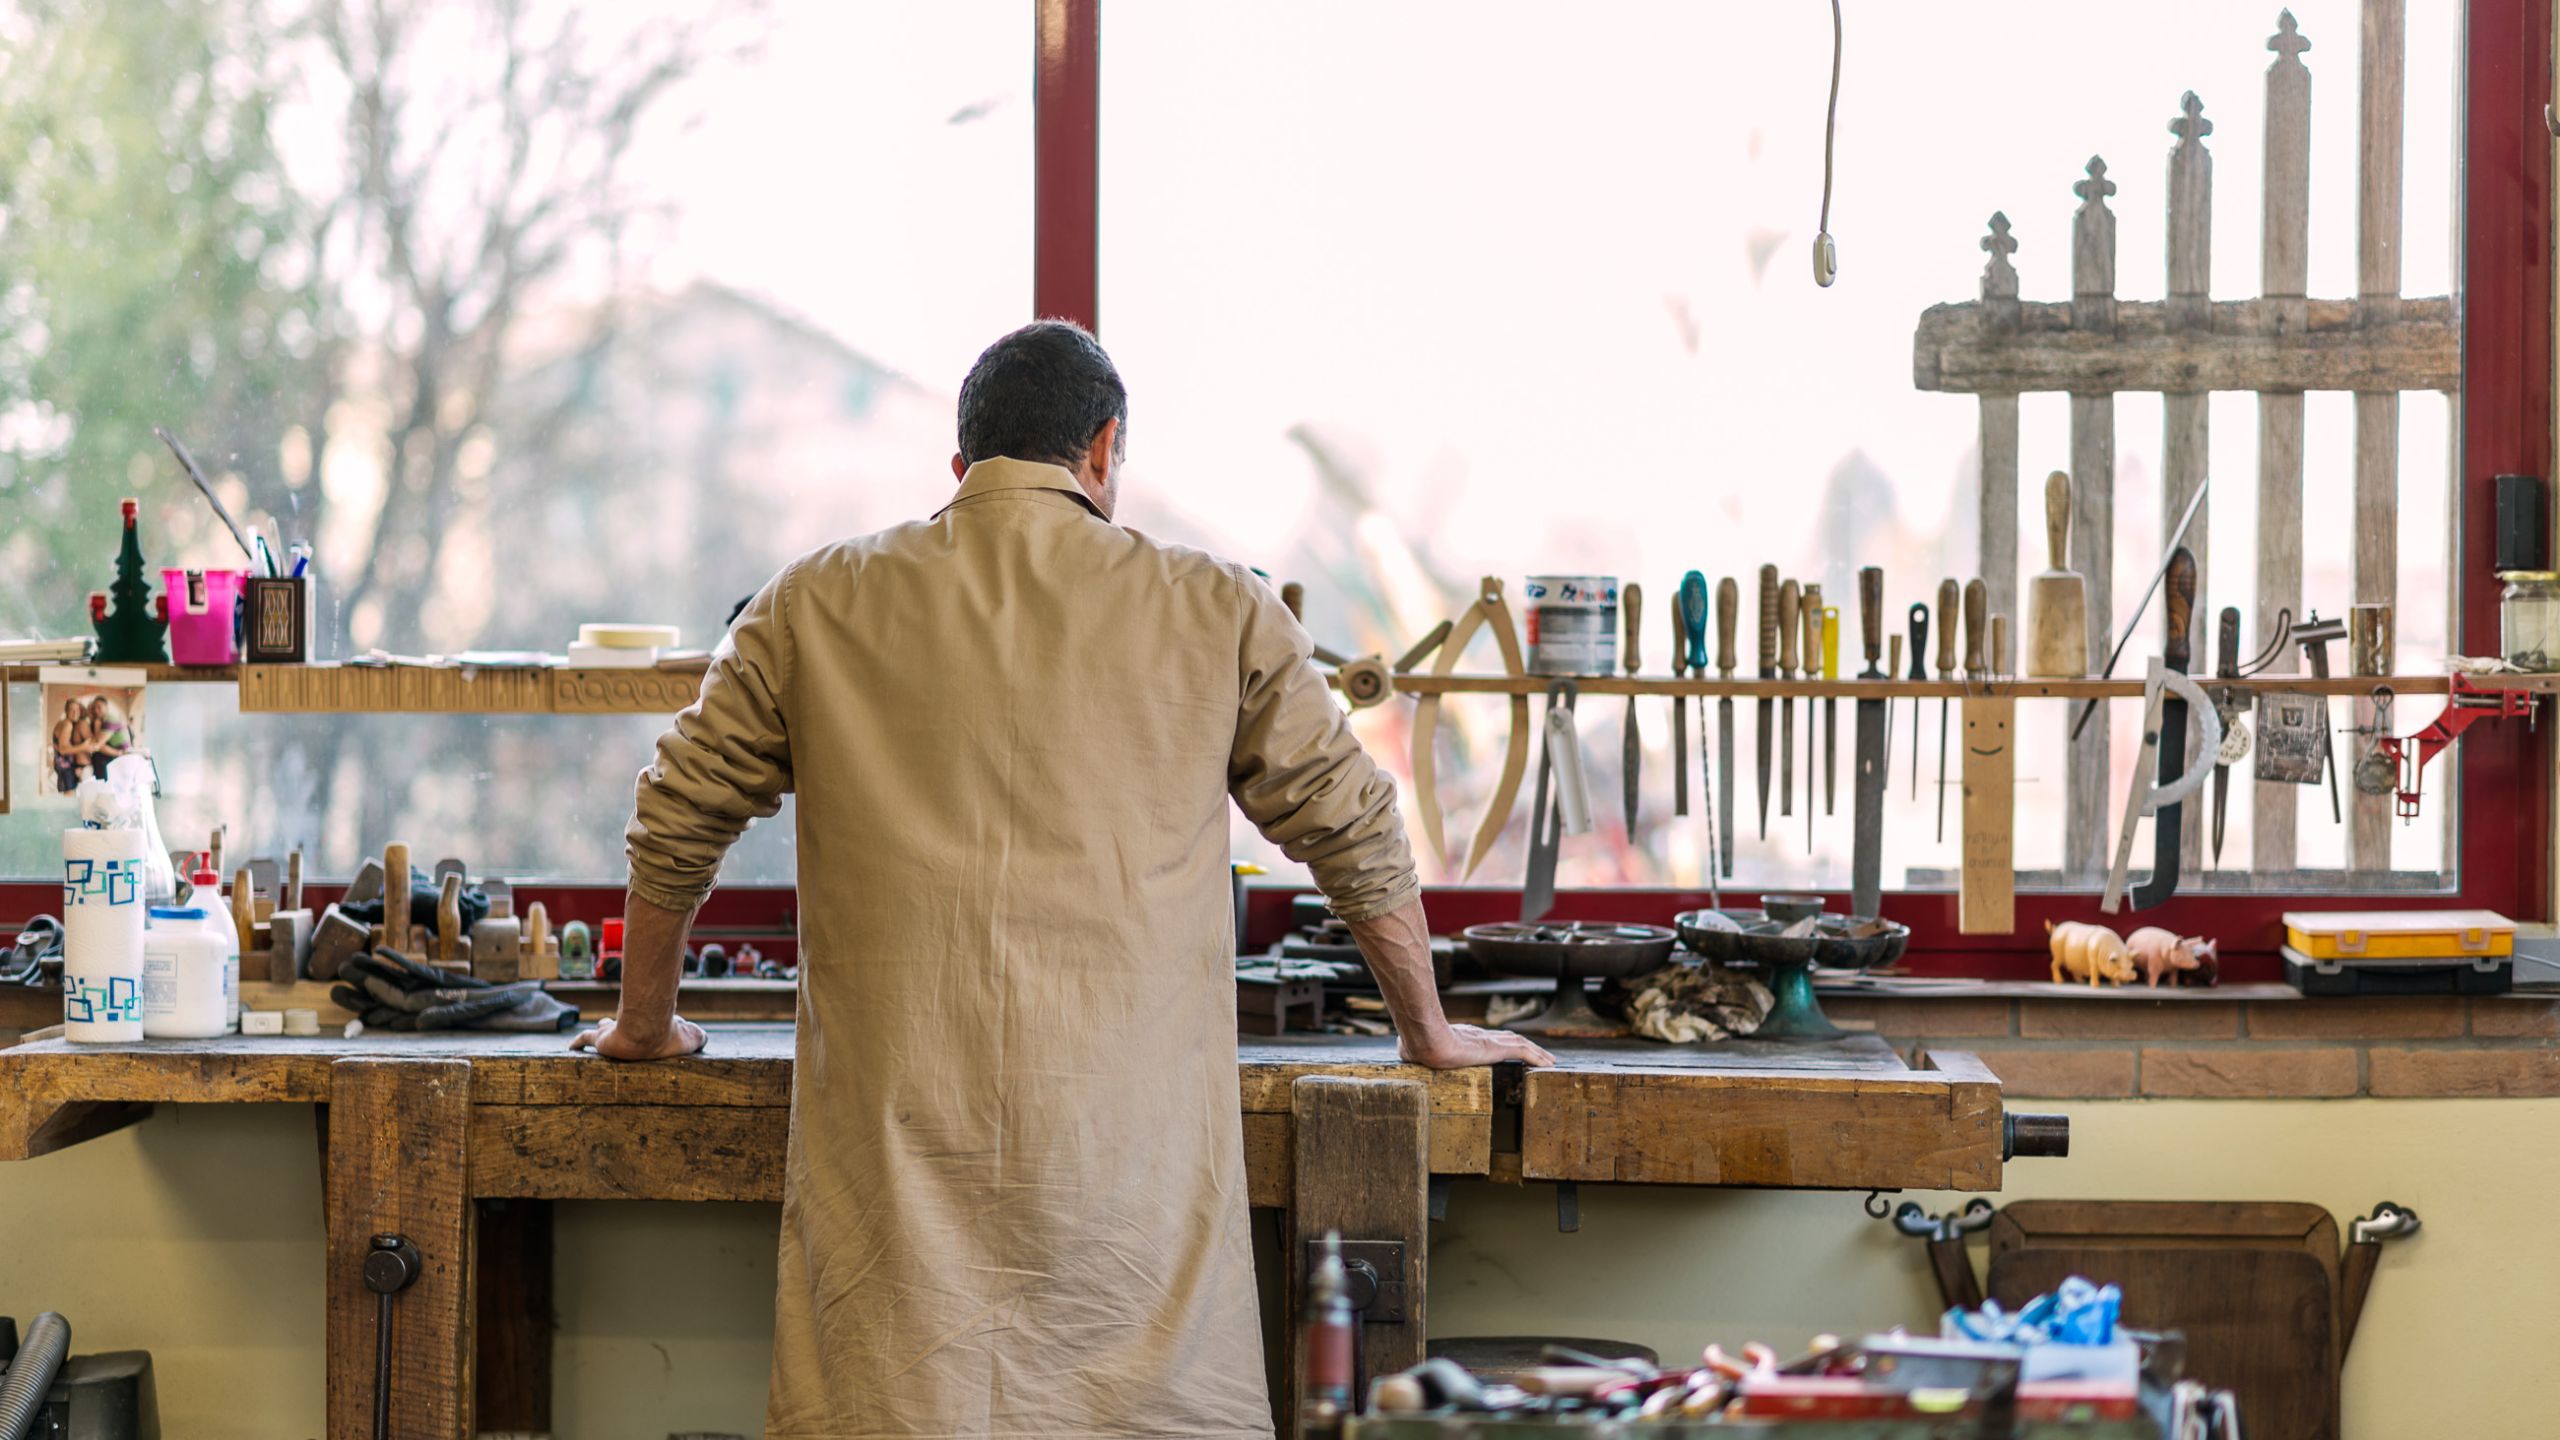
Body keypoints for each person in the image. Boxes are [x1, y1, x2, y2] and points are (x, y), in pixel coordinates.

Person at [580, 319, 1551, 1438]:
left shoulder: (811, 601)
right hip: (1125, 1218)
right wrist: (1426, 1029)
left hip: (899, 1222)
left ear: (960, 470)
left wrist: (641, 1026)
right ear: (1103, 451)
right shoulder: (1215, 605)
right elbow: (1352, 825)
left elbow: (676, 813)